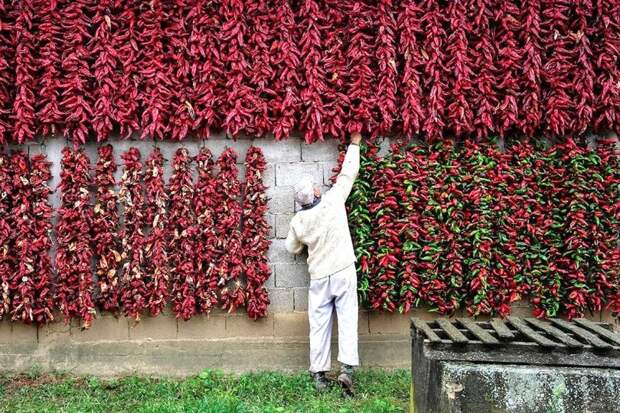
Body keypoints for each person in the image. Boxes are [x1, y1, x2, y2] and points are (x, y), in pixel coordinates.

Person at [285, 132, 362, 394]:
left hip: (319, 276)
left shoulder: (298, 221)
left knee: (319, 325)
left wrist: (304, 241)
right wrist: (354, 144)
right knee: (348, 318)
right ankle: (347, 370)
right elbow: (347, 174)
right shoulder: (332, 201)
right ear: (316, 192)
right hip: (342, 270)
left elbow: (292, 248)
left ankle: (319, 376)